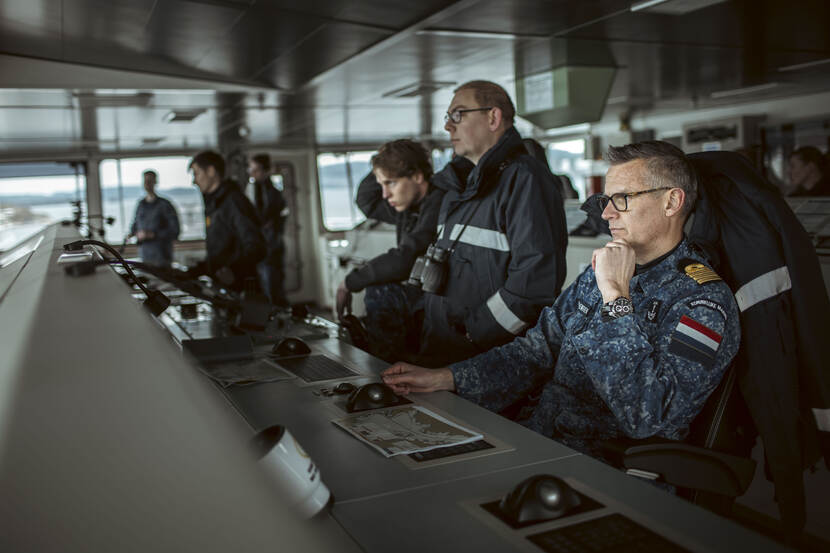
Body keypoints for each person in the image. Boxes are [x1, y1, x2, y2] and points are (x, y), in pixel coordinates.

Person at [383, 141, 741, 459]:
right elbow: (537, 351)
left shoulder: (702, 301)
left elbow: (647, 415)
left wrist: (616, 297)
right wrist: (447, 378)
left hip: (605, 467)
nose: (606, 214)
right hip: (540, 436)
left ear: (672, 201)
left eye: (623, 200)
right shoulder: (599, 270)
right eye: (605, 200)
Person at [412, 80, 567, 366]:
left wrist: (472, 334)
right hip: (441, 349)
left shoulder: (525, 180)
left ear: (493, 118)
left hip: (485, 360)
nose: (449, 126)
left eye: (458, 114)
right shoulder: (457, 188)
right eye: (448, 117)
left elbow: (533, 286)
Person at [334, 139, 455, 360]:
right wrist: (384, 160)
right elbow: (367, 201)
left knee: (380, 290)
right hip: (422, 289)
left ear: (417, 176)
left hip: (443, 295)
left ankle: (389, 368)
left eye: (390, 183)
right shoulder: (407, 207)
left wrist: (349, 282)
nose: (385, 194)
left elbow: (405, 259)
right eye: (381, 184)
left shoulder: (440, 203)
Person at [187, 150, 265, 291]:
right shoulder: (215, 204)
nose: (194, 180)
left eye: (196, 173)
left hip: (240, 287)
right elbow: (222, 250)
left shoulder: (233, 201)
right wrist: (195, 271)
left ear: (211, 171)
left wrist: (233, 270)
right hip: (222, 287)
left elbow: (257, 246)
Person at [247, 154, 289, 305]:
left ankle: (276, 311)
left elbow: (282, 214)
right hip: (260, 245)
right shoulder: (251, 190)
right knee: (264, 282)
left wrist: (273, 225)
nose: (252, 173)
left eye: (256, 170)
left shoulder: (273, 192)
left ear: (265, 171)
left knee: (273, 281)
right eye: (250, 169)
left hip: (272, 244)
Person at [128, 170, 180, 267]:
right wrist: (132, 233)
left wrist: (153, 234)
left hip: (162, 258)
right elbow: (135, 225)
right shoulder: (141, 205)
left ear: (155, 182)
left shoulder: (165, 205)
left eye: (150, 180)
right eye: (145, 181)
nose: (147, 184)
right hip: (145, 257)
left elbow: (175, 231)